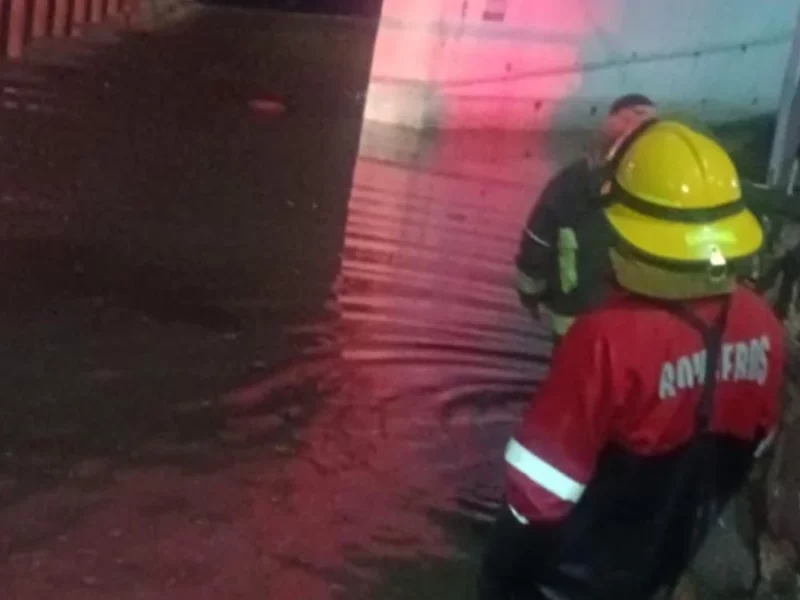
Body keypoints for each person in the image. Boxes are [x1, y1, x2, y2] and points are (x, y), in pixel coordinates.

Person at [480, 120, 785, 599]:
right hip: (667, 563)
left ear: (626, 229)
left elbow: (535, 498)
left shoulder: (604, 340)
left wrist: (503, 577)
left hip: (575, 578)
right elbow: (756, 442)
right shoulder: (763, 325)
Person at [516, 94, 657, 344]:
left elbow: (536, 245)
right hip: (635, 323)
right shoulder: (657, 188)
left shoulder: (568, 183)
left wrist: (530, 295)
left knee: (572, 379)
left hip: (574, 319)